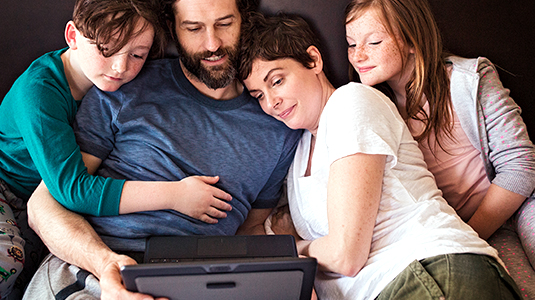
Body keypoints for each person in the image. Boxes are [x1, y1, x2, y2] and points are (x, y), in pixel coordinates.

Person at [22, 0, 301, 299]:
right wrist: (105, 264)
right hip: (93, 268)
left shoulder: (278, 121)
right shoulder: (123, 88)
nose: (212, 43)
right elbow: (43, 206)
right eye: (194, 28)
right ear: (172, 29)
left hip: (201, 280)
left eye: (224, 24)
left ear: (244, 21)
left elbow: (251, 231)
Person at [238, 12, 521, 299]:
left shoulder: (350, 103)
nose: (271, 102)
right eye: (259, 95)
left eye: (276, 81)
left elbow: (345, 254)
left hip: (425, 271)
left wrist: (294, 251)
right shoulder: (297, 155)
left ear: (313, 60)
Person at [344, 0, 535, 265]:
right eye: (351, 44)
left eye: (373, 42)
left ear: (412, 41)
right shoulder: (375, 112)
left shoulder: (469, 81)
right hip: (454, 235)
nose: (357, 55)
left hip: (515, 207)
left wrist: (471, 234)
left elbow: (521, 166)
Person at [0, 0, 168, 297]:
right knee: (7, 261)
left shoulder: (125, 86)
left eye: (137, 55)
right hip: (7, 188)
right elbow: (73, 189)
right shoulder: (39, 93)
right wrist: (175, 195)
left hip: (38, 200)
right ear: (73, 37)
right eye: (107, 49)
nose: (121, 67)